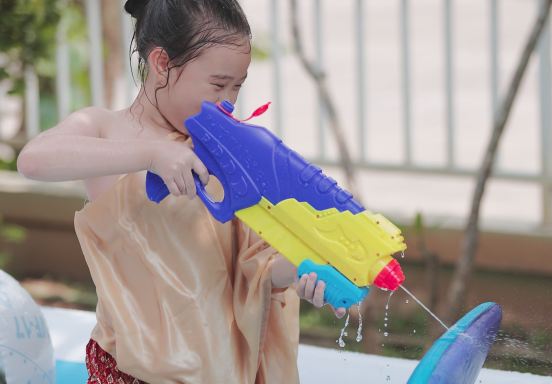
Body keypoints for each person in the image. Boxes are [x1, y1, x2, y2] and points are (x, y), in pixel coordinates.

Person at [17, 0, 346, 382]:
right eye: (218, 84)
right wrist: (151, 153)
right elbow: (34, 160)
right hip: (127, 372)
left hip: (216, 369)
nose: (229, 101)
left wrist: (303, 270)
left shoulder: (230, 154)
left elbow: (253, 268)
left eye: (237, 86)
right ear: (161, 64)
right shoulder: (106, 130)